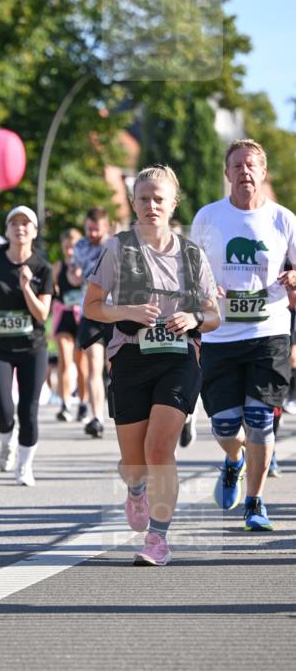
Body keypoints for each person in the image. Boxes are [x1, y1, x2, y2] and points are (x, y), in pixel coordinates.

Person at [84, 165, 219, 565]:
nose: (151, 205)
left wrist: (194, 319)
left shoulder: (192, 255)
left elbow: (214, 315)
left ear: (172, 204)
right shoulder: (117, 248)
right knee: (134, 460)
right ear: (133, 203)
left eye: (159, 198)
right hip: (129, 357)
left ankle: (158, 539)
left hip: (179, 359)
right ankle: (136, 488)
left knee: (160, 449)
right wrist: (127, 309)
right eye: (143, 198)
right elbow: (91, 306)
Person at [190, 139, 296, 531]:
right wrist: (203, 290)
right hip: (220, 334)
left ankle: (256, 502)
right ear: (227, 173)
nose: (244, 172)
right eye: (237, 166)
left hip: (269, 330)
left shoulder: (283, 219)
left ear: (263, 172)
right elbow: (191, 270)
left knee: (258, 419)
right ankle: (232, 460)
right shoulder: (208, 217)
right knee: (223, 425)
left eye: (251, 165)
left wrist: (293, 276)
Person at [0, 206, 53, 487]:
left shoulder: (42, 268)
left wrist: (26, 288)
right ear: (7, 230)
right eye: (14, 223)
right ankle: (6, 438)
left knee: (29, 409)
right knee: (2, 411)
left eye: (26, 224)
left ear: (34, 232)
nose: (20, 228)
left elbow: (42, 314)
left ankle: (24, 466)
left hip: (32, 347)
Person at [70, 208, 112, 436]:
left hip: (116, 312)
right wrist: (74, 275)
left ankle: (121, 410)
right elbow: (73, 275)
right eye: (89, 229)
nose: (93, 233)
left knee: (114, 367)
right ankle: (97, 417)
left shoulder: (116, 245)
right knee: (94, 366)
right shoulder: (80, 247)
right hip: (91, 312)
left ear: (106, 226)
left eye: (97, 228)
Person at [51, 227, 87, 422]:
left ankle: (83, 402)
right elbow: (53, 291)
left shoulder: (84, 266)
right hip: (64, 315)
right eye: (66, 246)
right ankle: (65, 403)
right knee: (64, 359)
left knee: (81, 364)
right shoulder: (58, 267)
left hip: (81, 317)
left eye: (73, 246)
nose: (69, 250)